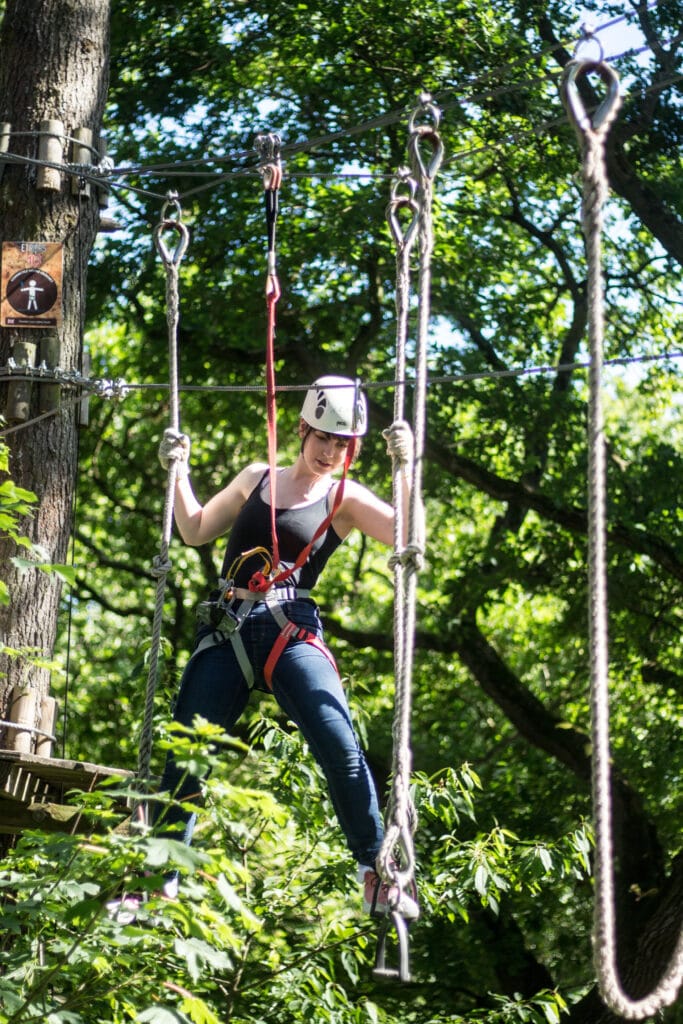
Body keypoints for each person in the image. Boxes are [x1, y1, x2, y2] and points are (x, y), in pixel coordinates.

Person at [155, 375, 419, 920]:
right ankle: (159, 877)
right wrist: (177, 471)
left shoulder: (343, 499)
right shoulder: (257, 477)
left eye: (342, 444)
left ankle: (375, 870)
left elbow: (406, 536)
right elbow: (195, 528)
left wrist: (407, 469)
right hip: (228, 626)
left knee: (337, 739)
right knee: (185, 752)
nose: (329, 452)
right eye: (322, 437)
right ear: (301, 428)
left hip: (289, 627)